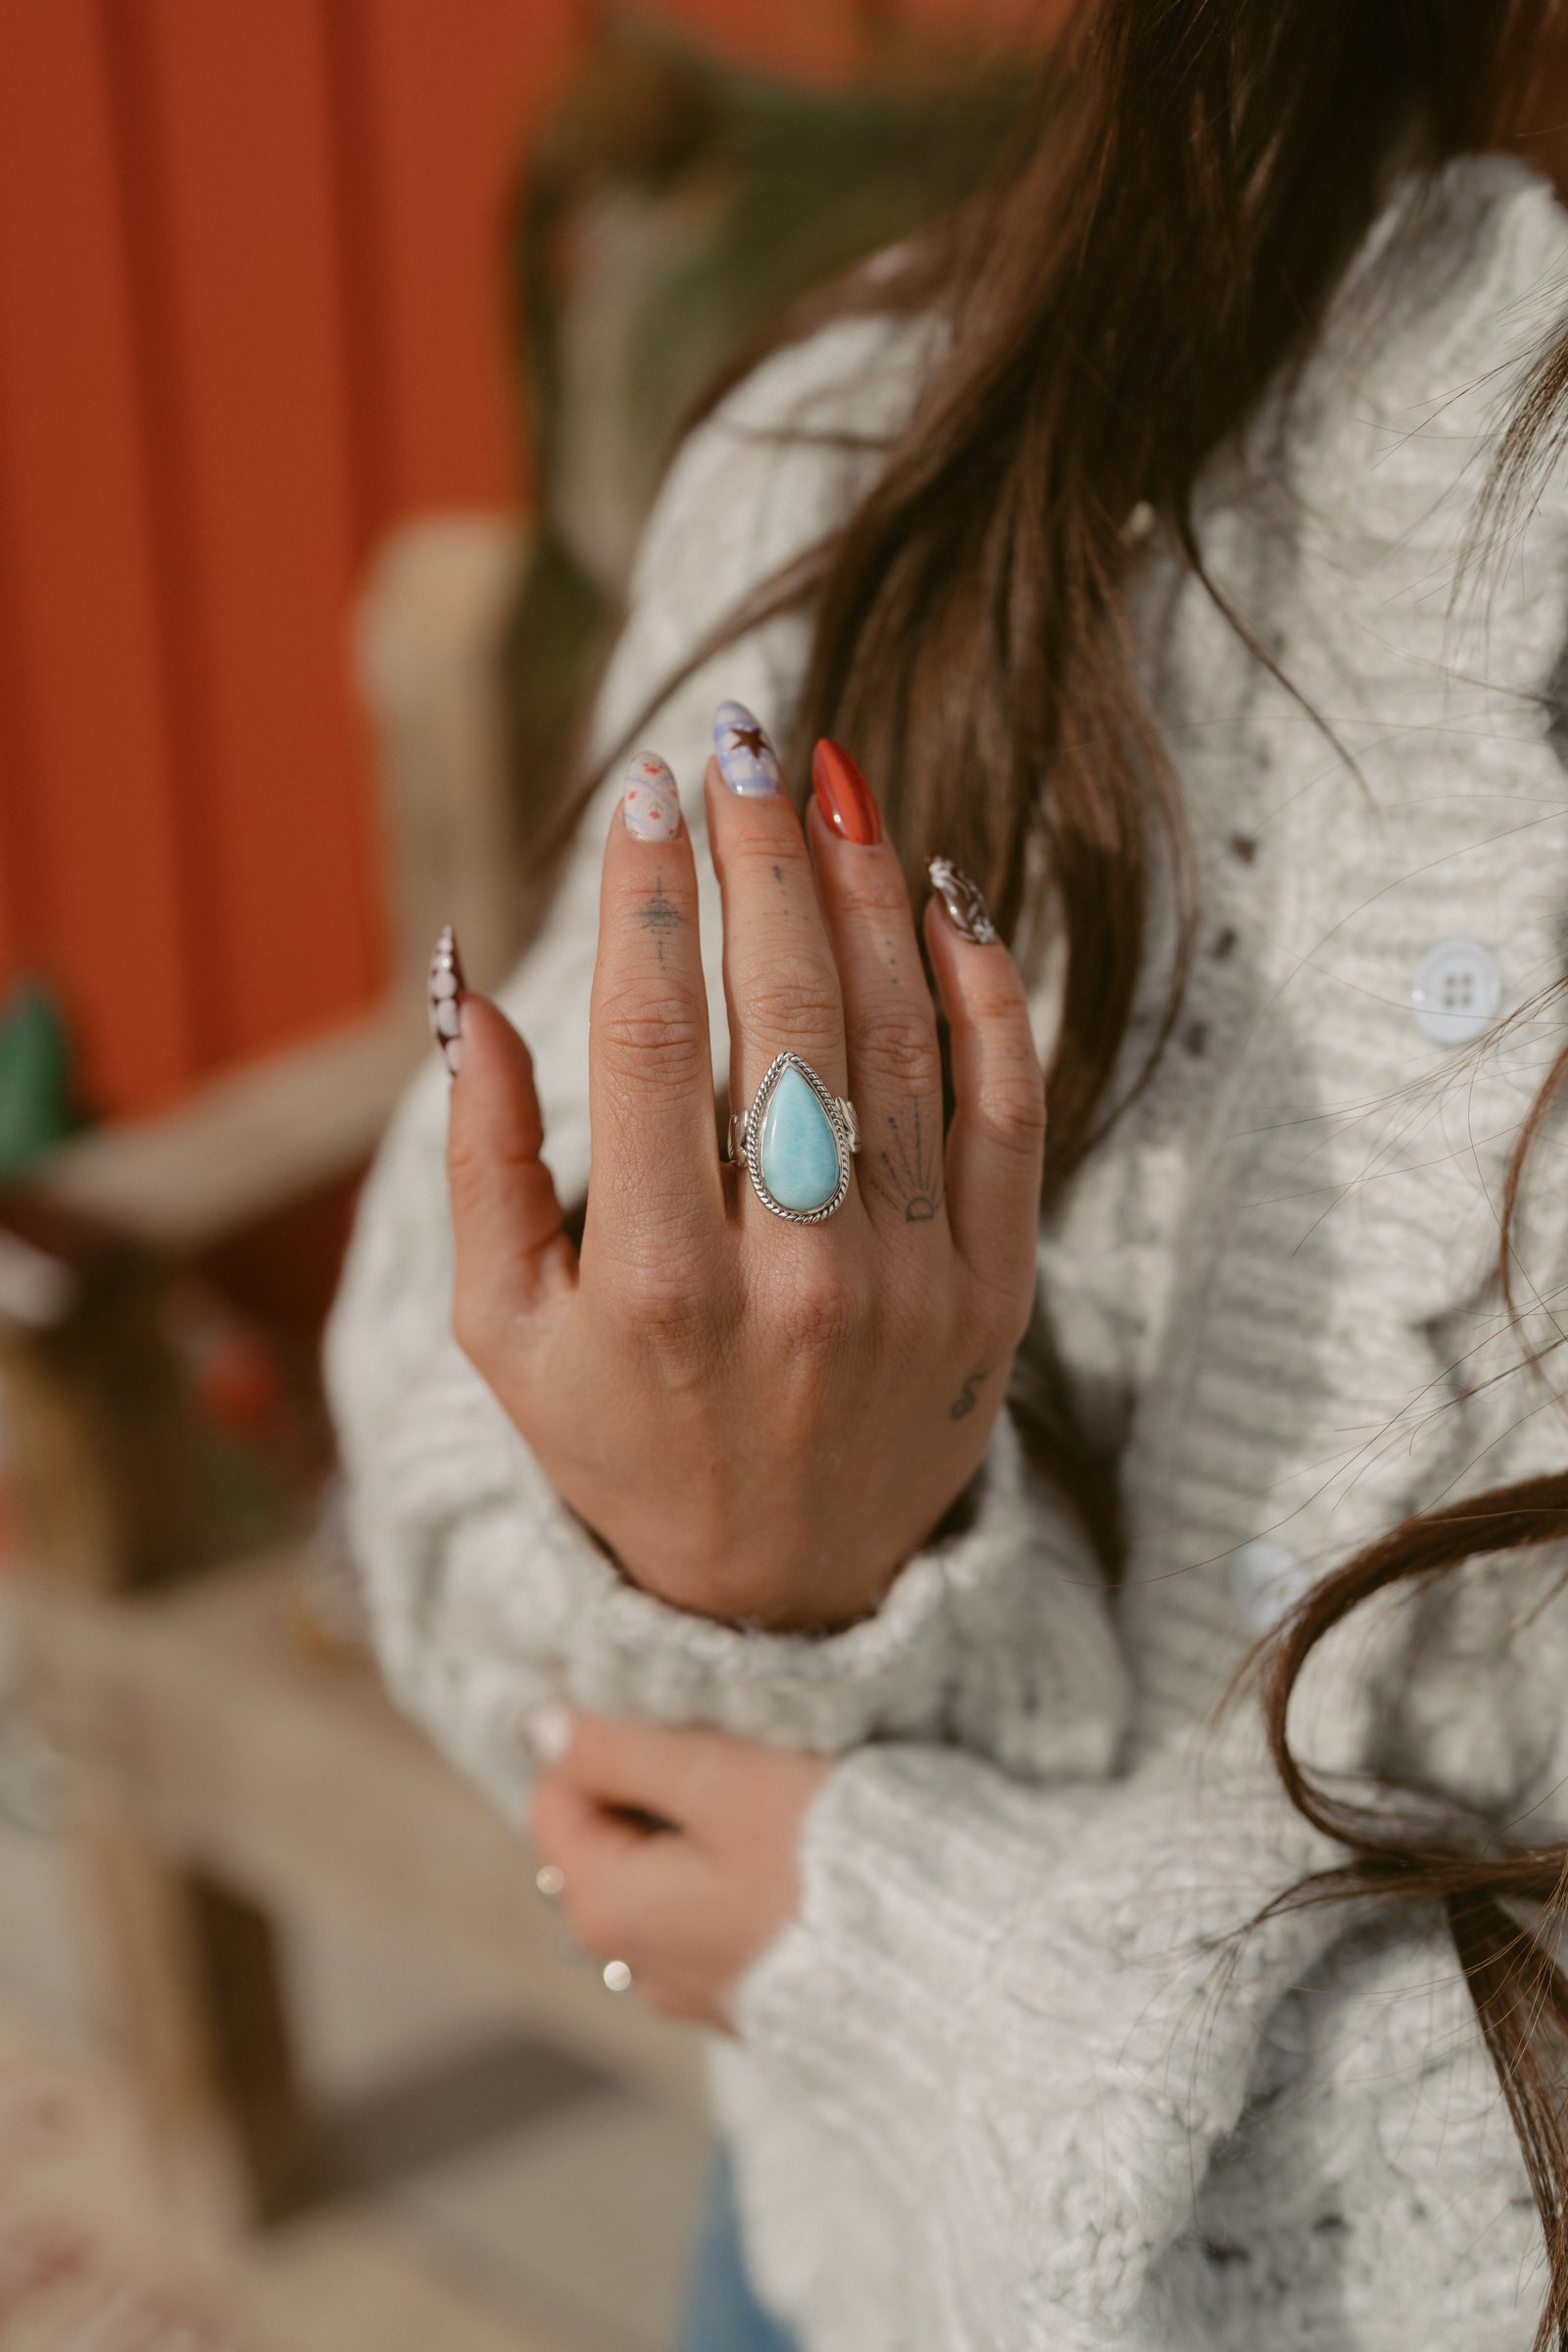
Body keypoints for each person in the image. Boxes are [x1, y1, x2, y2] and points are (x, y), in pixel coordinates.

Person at [325, 4, 1568, 2344]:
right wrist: (733, 1565)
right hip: (823, 2282)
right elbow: (427, 1403)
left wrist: (928, 1964)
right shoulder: (874, 438)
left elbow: (786, 1925)